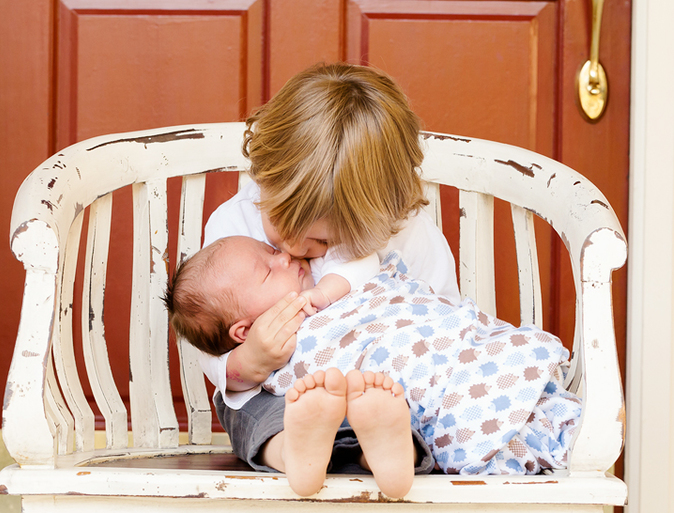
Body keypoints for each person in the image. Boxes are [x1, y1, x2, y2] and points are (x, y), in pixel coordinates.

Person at [189, 62, 461, 497]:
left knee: (405, 411)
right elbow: (212, 339)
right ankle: (293, 451)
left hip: (386, 389)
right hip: (290, 398)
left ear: (382, 215)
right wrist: (251, 360)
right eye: (280, 225)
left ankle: (388, 451)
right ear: (263, 176)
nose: (293, 248)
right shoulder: (234, 225)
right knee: (247, 409)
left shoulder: (409, 234)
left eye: (322, 240)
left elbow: (446, 320)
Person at [166, 236, 581, 481]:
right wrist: (254, 356)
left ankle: (384, 448)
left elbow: (372, 272)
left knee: (392, 387)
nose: (284, 257)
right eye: (268, 271)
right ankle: (372, 449)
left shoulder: (328, 267)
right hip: (382, 390)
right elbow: (229, 379)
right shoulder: (234, 244)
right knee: (312, 399)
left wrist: (325, 293)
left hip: (445, 352)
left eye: (271, 250)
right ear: (242, 331)